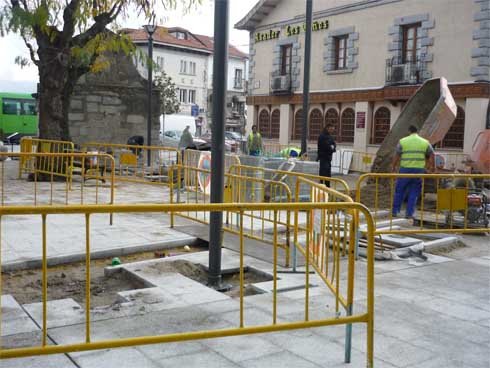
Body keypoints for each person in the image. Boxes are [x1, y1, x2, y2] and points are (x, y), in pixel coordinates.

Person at [391, 125, 435, 219]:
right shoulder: (425, 142)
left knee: (399, 191)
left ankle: (395, 211)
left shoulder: (403, 141)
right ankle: (409, 213)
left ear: (409, 131)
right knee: (414, 192)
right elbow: (432, 154)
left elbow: (397, 155)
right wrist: (432, 168)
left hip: (405, 169)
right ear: (417, 131)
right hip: (418, 170)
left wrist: (393, 167)